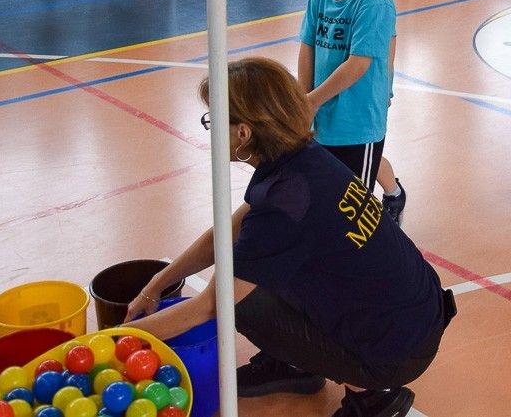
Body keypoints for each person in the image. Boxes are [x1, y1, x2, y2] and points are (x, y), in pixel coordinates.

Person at [123, 57, 453, 417]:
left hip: (397, 353)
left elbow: (210, 305)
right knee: (257, 271)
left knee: (242, 301)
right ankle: (300, 365)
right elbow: (225, 234)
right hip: (415, 315)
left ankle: (374, 399)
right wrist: (158, 282)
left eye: (213, 121)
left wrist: (112, 340)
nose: (210, 130)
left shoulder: (287, 203)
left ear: (244, 133)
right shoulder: (300, 157)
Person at [298, 0, 407, 224]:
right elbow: (307, 44)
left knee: (351, 208)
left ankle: (366, 258)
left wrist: (313, 100)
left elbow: (359, 63)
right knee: (332, 178)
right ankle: (396, 192)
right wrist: (302, 99)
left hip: (358, 118)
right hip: (323, 111)